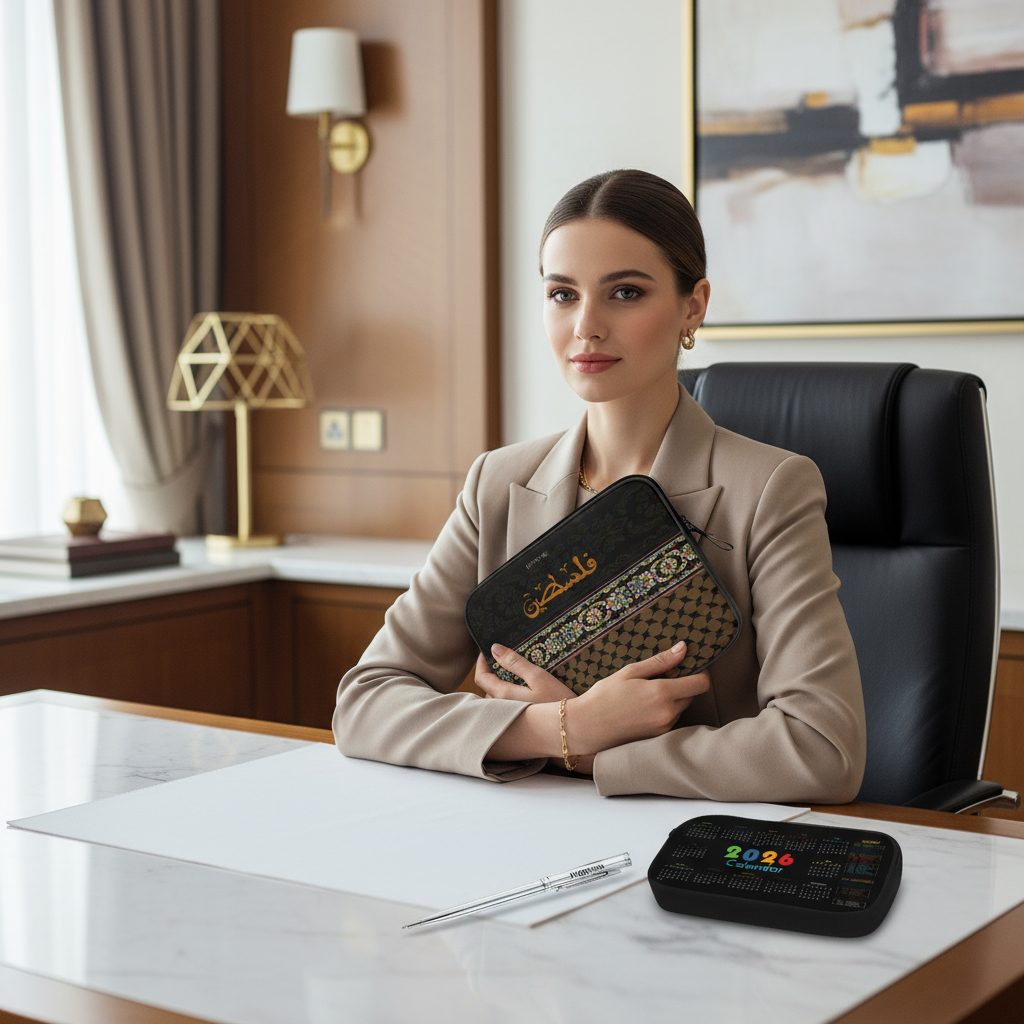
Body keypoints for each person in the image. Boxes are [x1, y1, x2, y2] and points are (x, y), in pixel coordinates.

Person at [333, 169, 866, 803]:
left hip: (698, 850)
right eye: (563, 294)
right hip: (530, 840)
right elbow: (364, 704)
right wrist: (564, 727)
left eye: (625, 293)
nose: (586, 326)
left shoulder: (770, 488)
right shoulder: (497, 484)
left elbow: (824, 750)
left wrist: (600, 755)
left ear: (693, 305)